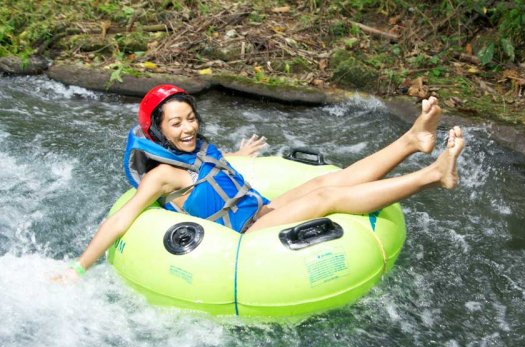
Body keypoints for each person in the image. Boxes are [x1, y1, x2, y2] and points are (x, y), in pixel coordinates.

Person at [58, 84, 464, 280]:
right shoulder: (161, 174)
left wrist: (237, 155)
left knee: (329, 177)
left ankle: (413, 140)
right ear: (158, 131)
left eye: (191, 118)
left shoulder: (197, 147)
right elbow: (121, 220)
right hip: (245, 237)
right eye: (176, 123)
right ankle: (432, 174)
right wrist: (77, 269)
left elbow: (210, 170)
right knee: (326, 195)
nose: (188, 128)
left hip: (260, 209)